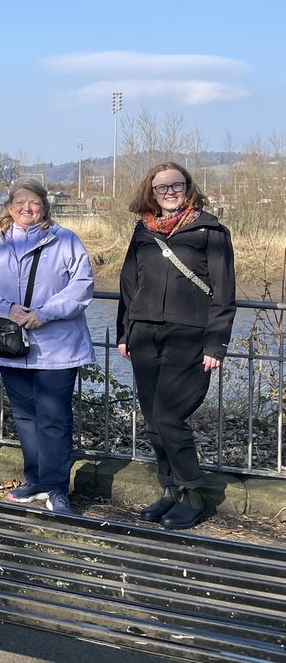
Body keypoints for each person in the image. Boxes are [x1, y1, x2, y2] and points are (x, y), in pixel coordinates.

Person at [118, 162, 235, 530]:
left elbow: (224, 291)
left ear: (188, 187)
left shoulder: (211, 231)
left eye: (176, 185)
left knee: (170, 417)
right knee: (153, 419)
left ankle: (194, 493)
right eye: (161, 187)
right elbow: (128, 284)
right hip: (145, 334)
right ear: (150, 192)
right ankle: (170, 490)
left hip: (189, 335)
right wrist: (125, 331)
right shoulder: (143, 230)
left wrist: (216, 342)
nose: (169, 192)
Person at [0, 179, 95, 515]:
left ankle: (56, 487)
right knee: (25, 416)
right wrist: (5, 308)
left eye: (34, 203)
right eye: (20, 203)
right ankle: (35, 478)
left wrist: (44, 314)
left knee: (54, 418)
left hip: (57, 347)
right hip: (12, 347)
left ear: (45, 206)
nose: (27, 208)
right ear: (9, 208)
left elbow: (82, 286)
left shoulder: (65, 240)